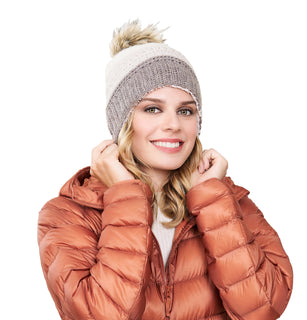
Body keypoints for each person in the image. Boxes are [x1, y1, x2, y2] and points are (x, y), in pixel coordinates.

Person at [38, 20, 293, 320]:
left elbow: (263, 309)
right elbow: (102, 315)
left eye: (185, 110)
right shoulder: (67, 215)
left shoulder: (230, 203)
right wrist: (124, 196)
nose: (173, 124)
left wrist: (212, 198)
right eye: (152, 109)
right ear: (123, 123)